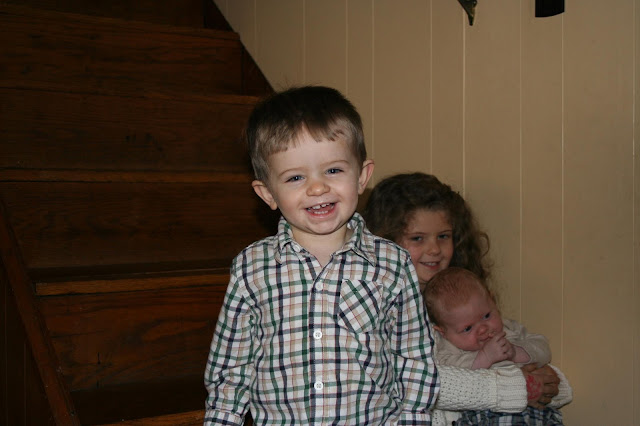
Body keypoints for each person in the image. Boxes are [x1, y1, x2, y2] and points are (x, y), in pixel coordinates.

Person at [203, 87, 439, 425]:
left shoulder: (393, 264)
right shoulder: (252, 269)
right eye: (295, 177)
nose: (317, 188)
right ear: (268, 194)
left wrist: (413, 418)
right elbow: (232, 368)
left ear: (362, 176)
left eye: (333, 171)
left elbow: (413, 358)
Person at [362, 172, 572, 425]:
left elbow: (532, 365)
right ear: (385, 242)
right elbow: (416, 383)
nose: (434, 249)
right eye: (417, 238)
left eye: (443, 236)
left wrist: (550, 384)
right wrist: (520, 387)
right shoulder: (371, 308)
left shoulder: (462, 293)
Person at [425, 267, 563, 424]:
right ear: (443, 332)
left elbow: (543, 348)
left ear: (493, 301)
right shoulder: (444, 347)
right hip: (487, 414)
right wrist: (485, 357)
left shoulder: (509, 329)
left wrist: (516, 352)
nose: (483, 329)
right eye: (468, 328)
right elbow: (448, 377)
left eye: (486, 316)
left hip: (538, 411)